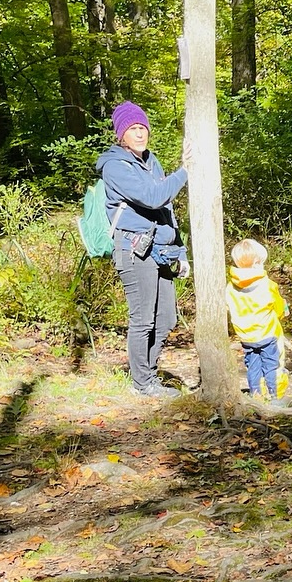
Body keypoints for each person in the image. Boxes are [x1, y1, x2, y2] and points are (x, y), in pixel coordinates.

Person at [95, 101, 188, 397]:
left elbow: (167, 209)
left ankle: (149, 374)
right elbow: (153, 197)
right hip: (134, 251)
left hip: (160, 249)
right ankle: (143, 383)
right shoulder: (114, 167)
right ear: (121, 135)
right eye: (133, 129)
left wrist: (181, 250)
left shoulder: (151, 161)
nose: (139, 134)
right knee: (143, 318)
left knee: (167, 319)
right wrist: (186, 171)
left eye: (142, 128)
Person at [226, 239, 289, 400]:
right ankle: (277, 397)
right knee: (272, 366)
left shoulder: (231, 287)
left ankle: (256, 395)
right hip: (267, 334)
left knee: (253, 366)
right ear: (256, 263)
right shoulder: (267, 285)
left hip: (246, 336)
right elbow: (279, 309)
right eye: (261, 263)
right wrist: (283, 310)